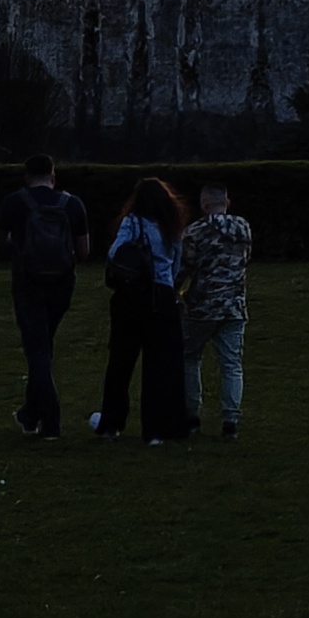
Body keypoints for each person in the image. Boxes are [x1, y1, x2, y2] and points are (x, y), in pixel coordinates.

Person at [86, 177, 194, 445]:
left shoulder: (132, 222)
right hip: (163, 296)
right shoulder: (172, 225)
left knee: (121, 362)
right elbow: (176, 264)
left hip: (132, 296)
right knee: (159, 365)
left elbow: (114, 254)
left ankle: (111, 424)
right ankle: (156, 430)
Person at [0, 155, 89, 439]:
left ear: (26, 176)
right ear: (53, 176)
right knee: (43, 347)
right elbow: (84, 251)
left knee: (38, 351)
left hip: (27, 283)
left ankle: (50, 421)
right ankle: (31, 415)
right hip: (62, 284)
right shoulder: (72, 204)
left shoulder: (14, 202)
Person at [177, 182, 254, 439]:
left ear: (204, 204)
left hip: (202, 307)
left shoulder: (195, 232)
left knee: (190, 358)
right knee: (232, 364)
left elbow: (185, 267)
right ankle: (231, 419)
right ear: (227, 202)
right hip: (234, 305)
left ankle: (191, 416)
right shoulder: (243, 227)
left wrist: (172, 291)